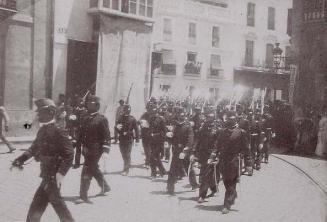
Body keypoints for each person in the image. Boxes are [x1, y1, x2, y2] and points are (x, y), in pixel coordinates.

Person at [11, 98, 75, 222]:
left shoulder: (59, 130)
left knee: (49, 207)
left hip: (53, 177)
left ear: (51, 112)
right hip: (46, 176)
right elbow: (34, 148)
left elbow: (69, 154)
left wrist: (60, 174)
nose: (39, 114)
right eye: (39, 112)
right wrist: (20, 159)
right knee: (51, 207)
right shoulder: (42, 130)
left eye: (42, 112)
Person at [211, 115, 252, 214]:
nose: (228, 121)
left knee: (231, 181)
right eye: (228, 120)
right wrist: (214, 153)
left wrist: (248, 164)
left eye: (231, 120)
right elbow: (217, 144)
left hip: (234, 160)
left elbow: (246, 149)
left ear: (235, 121)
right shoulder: (222, 132)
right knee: (226, 181)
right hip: (223, 160)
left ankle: (227, 205)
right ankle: (232, 194)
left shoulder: (241, 132)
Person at [75, 95, 111, 204]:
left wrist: (105, 150)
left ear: (97, 106)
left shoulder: (102, 119)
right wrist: (76, 143)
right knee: (93, 168)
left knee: (87, 170)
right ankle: (105, 187)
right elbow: (81, 133)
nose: (89, 104)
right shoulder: (85, 117)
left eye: (92, 103)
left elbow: (106, 136)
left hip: (96, 150)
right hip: (86, 148)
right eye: (88, 103)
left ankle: (83, 196)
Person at [166, 107, 194, 194]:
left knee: (188, 168)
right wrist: (169, 137)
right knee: (173, 169)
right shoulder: (176, 126)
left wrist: (185, 151)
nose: (179, 118)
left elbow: (190, 141)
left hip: (184, 151)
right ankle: (170, 188)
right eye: (178, 116)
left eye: (180, 116)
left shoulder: (188, 127)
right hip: (177, 150)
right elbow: (174, 138)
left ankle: (194, 184)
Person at [115, 104, 139, 176]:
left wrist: (137, 139)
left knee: (127, 154)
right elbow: (116, 127)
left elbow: (136, 129)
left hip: (129, 139)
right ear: (124, 110)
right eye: (126, 110)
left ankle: (126, 169)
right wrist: (119, 130)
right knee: (123, 154)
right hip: (122, 138)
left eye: (128, 111)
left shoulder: (132, 119)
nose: (127, 112)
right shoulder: (120, 118)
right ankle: (127, 165)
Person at [148, 103, 167, 178]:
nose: (153, 114)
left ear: (157, 112)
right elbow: (150, 129)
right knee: (156, 157)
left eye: (154, 112)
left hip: (159, 141)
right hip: (152, 141)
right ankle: (162, 171)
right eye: (152, 112)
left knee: (152, 157)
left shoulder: (161, 119)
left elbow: (164, 132)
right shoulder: (151, 119)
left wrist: (155, 135)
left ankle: (154, 173)